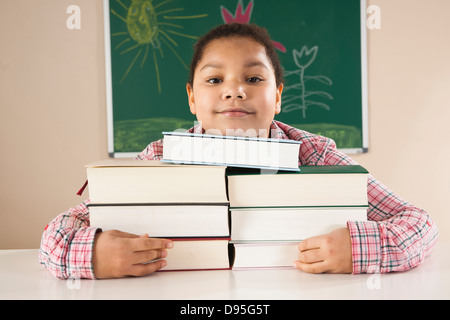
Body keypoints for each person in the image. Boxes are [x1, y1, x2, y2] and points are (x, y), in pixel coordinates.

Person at [39, 23, 438, 279]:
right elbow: (57, 235)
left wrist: (361, 248)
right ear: (192, 98)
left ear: (277, 96)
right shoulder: (160, 158)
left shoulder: (314, 156)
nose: (235, 90)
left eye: (253, 77)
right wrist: (91, 253)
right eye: (215, 79)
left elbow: (419, 223)